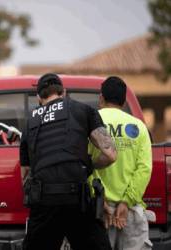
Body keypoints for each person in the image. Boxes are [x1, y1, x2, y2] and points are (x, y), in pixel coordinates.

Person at [20, 73, 117, 250]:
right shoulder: (82, 110)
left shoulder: (30, 123)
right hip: (77, 199)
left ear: (39, 98)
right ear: (63, 92)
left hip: (44, 201)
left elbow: (26, 175)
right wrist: (89, 165)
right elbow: (110, 154)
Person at [89, 76, 153, 250]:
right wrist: (126, 201)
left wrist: (99, 199)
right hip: (130, 212)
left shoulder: (89, 122)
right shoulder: (138, 127)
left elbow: (83, 166)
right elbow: (144, 169)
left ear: (101, 97)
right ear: (124, 101)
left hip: (98, 211)